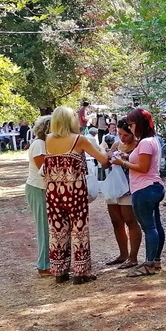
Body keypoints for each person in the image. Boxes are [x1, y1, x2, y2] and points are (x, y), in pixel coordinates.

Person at [43, 106, 111, 284]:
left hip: (53, 191)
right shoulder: (79, 140)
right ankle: (81, 272)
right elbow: (103, 160)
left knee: (58, 230)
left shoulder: (48, 139)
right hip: (74, 191)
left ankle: (60, 271)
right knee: (79, 230)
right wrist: (103, 148)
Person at [111, 108, 165, 278]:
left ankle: (149, 264)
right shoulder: (152, 140)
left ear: (139, 124)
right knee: (155, 225)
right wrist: (127, 158)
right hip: (153, 186)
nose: (130, 128)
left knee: (149, 227)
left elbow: (143, 167)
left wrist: (122, 162)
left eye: (132, 124)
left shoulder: (145, 142)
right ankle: (155, 260)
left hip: (144, 188)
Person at [103, 119, 142, 269]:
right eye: (119, 134)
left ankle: (133, 256)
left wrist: (123, 161)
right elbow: (105, 165)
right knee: (116, 221)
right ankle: (123, 253)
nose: (122, 138)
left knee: (130, 220)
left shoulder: (138, 145)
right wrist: (107, 155)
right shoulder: (116, 144)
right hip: (114, 185)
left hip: (129, 186)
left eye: (125, 135)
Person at [25, 115, 52, 277]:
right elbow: (45, 170)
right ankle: (44, 265)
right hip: (38, 188)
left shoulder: (43, 144)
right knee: (44, 227)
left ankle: (49, 262)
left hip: (42, 188)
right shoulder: (39, 144)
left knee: (49, 227)